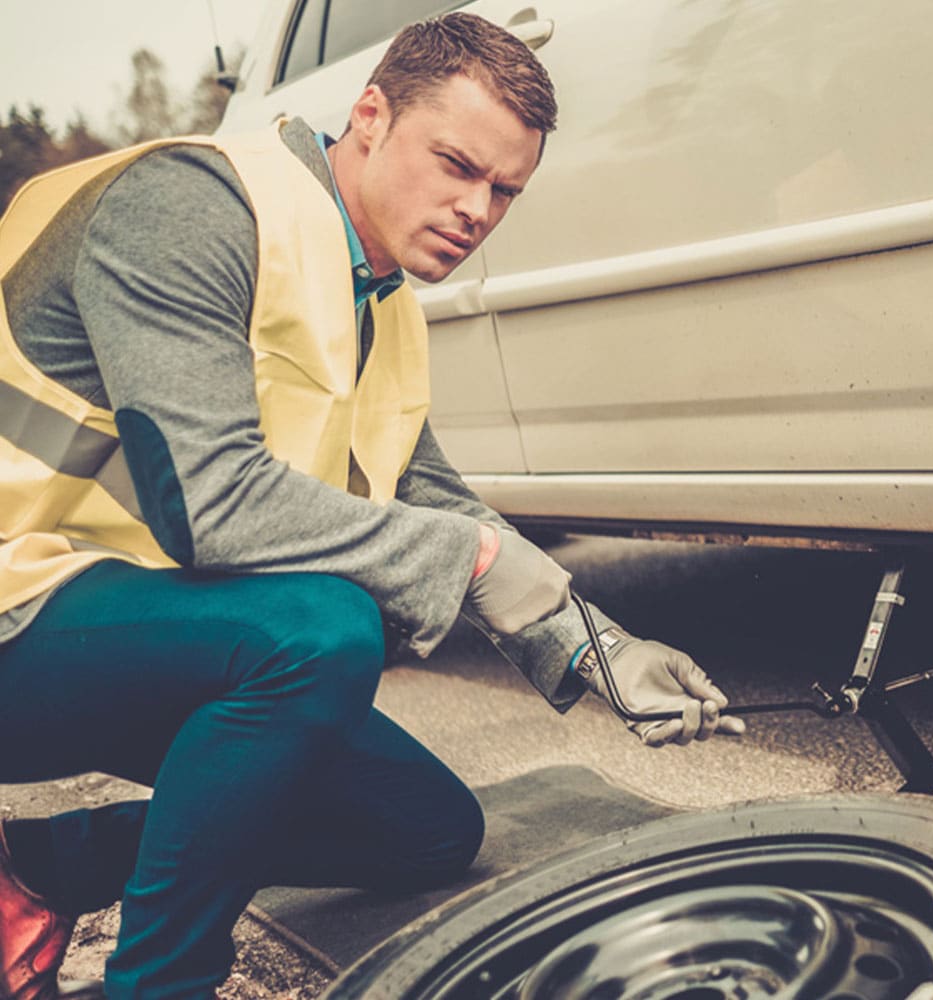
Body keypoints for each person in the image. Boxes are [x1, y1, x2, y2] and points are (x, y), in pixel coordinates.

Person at [0, 13, 743, 999]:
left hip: (122, 625)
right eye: (455, 165)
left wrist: (603, 651)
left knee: (424, 826)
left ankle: (38, 867)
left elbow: (424, 492)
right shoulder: (186, 206)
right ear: (369, 116)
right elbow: (210, 502)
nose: (476, 209)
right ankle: (161, 982)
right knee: (319, 631)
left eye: (504, 191)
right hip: (21, 615)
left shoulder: (371, 294)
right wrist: (475, 562)